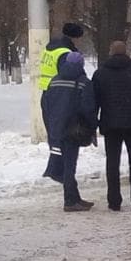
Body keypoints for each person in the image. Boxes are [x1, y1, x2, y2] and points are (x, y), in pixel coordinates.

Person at [91, 39, 131, 211]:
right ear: (126, 52)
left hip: (110, 124)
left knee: (112, 162)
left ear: (111, 52)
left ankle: (114, 201)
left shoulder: (100, 73)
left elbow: (94, 102)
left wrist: (93, 123)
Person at [41, 51, 97, 212]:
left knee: (66, 163)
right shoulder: (83, 83)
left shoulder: (54, 81)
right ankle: (70, 201)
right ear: (81, 65)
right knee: (69, 166)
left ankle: (75, 197)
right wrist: (91, 127)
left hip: (56, 128)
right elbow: (88, 108)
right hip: (73, 130)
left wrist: (51, 124)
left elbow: (45, 105)